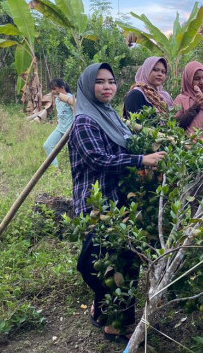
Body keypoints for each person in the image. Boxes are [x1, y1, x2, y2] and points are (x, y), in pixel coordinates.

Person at [68, 62, 166, 341]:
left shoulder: (110, 115)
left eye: (111, 81)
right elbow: (99, 159)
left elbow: (128, 141)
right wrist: (140, 160)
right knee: (102, 263)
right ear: (88, 86)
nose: (107, 86)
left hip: (119, 201)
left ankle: (108, 317)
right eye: (100, 82)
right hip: (97, 205)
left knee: (123, 261)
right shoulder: (84, 122)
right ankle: (114, 323)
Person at [174, 61, 203, 134]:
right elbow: (175, 125)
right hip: (192, 144)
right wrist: (195, 107)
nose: (202, 82)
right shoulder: (181, 99)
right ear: (188, 80)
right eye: (197, 79)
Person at [43, 78, 74, 169]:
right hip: (60, 129)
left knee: (75, 152)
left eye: (54, 89)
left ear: (62, 88)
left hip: (70, 131)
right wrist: (58, 119)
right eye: (51, 89)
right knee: (47, 145)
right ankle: (56, 169)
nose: (52, 92)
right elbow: (60, 112)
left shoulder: (70, 98)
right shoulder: (57, 99)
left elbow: (77, 113)